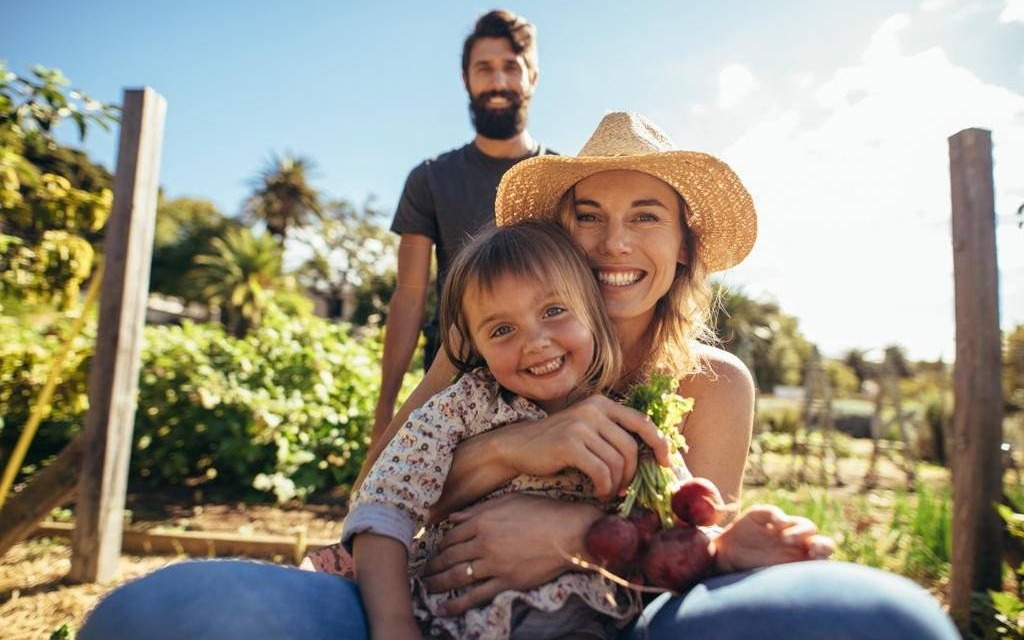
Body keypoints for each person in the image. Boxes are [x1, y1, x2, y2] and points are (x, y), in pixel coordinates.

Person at [79, 112, 959, 640]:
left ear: (686, 243)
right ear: (554, 238)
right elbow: (387, 490)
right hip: (436, 612)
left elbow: (687, 549)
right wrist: (511, 450)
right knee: (164, 615)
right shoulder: (476, 361)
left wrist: (578, 528)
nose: (614, 244)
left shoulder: (714, 383)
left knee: (880, 621)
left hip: (616, 620)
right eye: (589, 216)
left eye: (645, 216)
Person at [350, 221, 671, 639]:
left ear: (593, 312)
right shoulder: (459, 409)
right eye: (502, 330)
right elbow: (383, 507)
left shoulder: (626, 421)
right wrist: (393, 624)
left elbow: (668, 522)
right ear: (471, 344)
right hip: (456, 622)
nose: (535, 342)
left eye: (554, 311)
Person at [374, 8, 557, 443]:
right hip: (451, 384)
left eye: (511, 68)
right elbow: (409, 296)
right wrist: (386, 408)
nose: (498, 82)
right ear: (465, 80)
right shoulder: (430, 179)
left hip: (548, 384)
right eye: (484, 68)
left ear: (532, 77)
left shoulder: (561, 178)